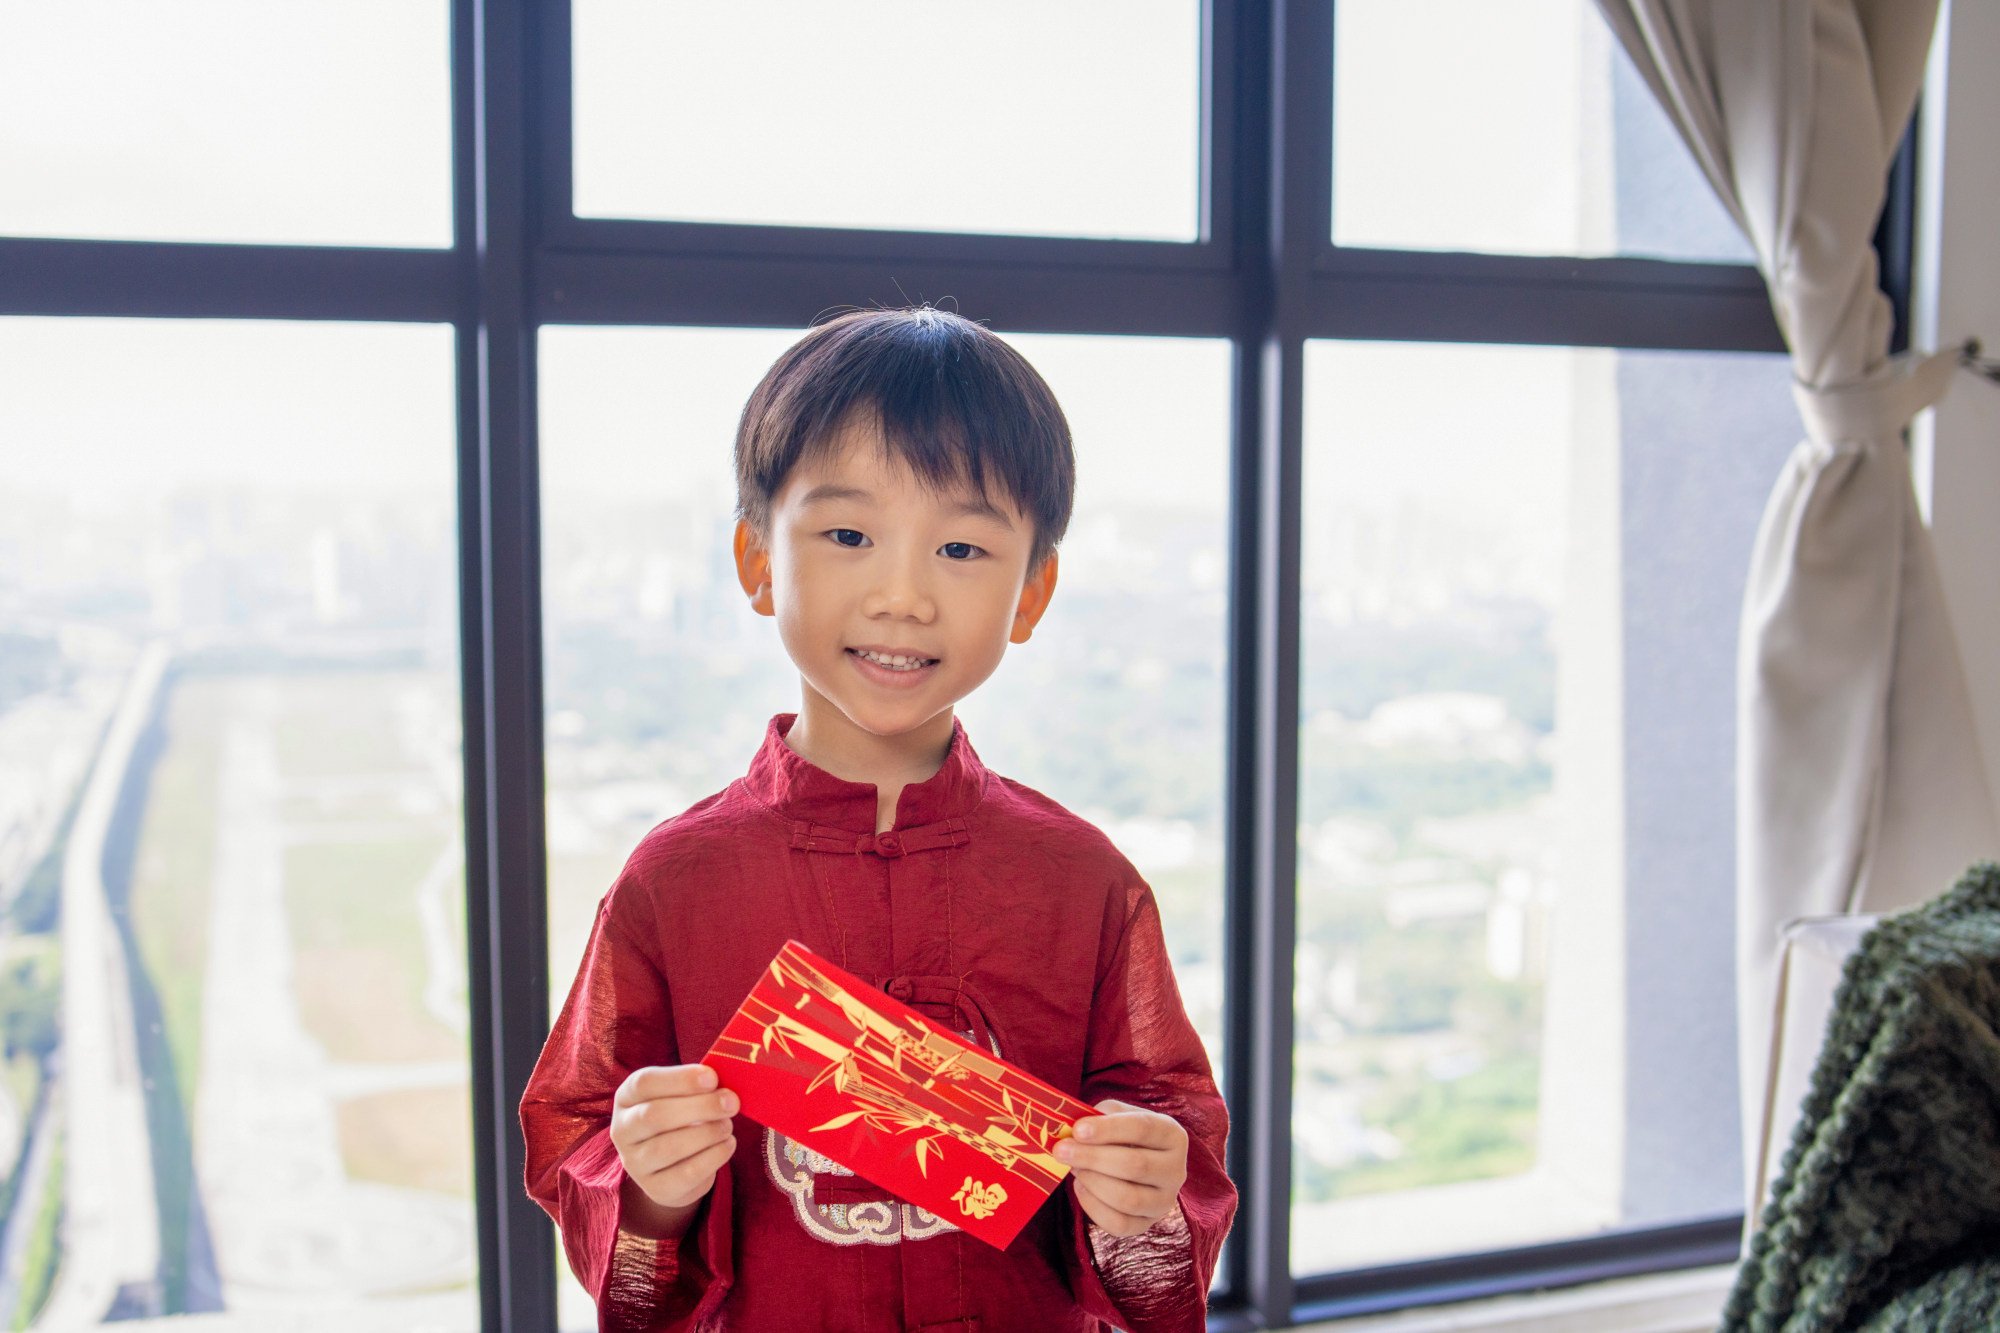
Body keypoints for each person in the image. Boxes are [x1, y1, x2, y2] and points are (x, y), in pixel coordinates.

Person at [519, 307, 1236, 1331]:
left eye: (959, 546)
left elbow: (1169, 1180)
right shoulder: (671, 883)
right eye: (847, 534)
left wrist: (1142, 1195)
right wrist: (649, 1186)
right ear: (758, 560)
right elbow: (579, 1147)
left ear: (1031, 595)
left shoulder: (1086, 883)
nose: (902, 595)